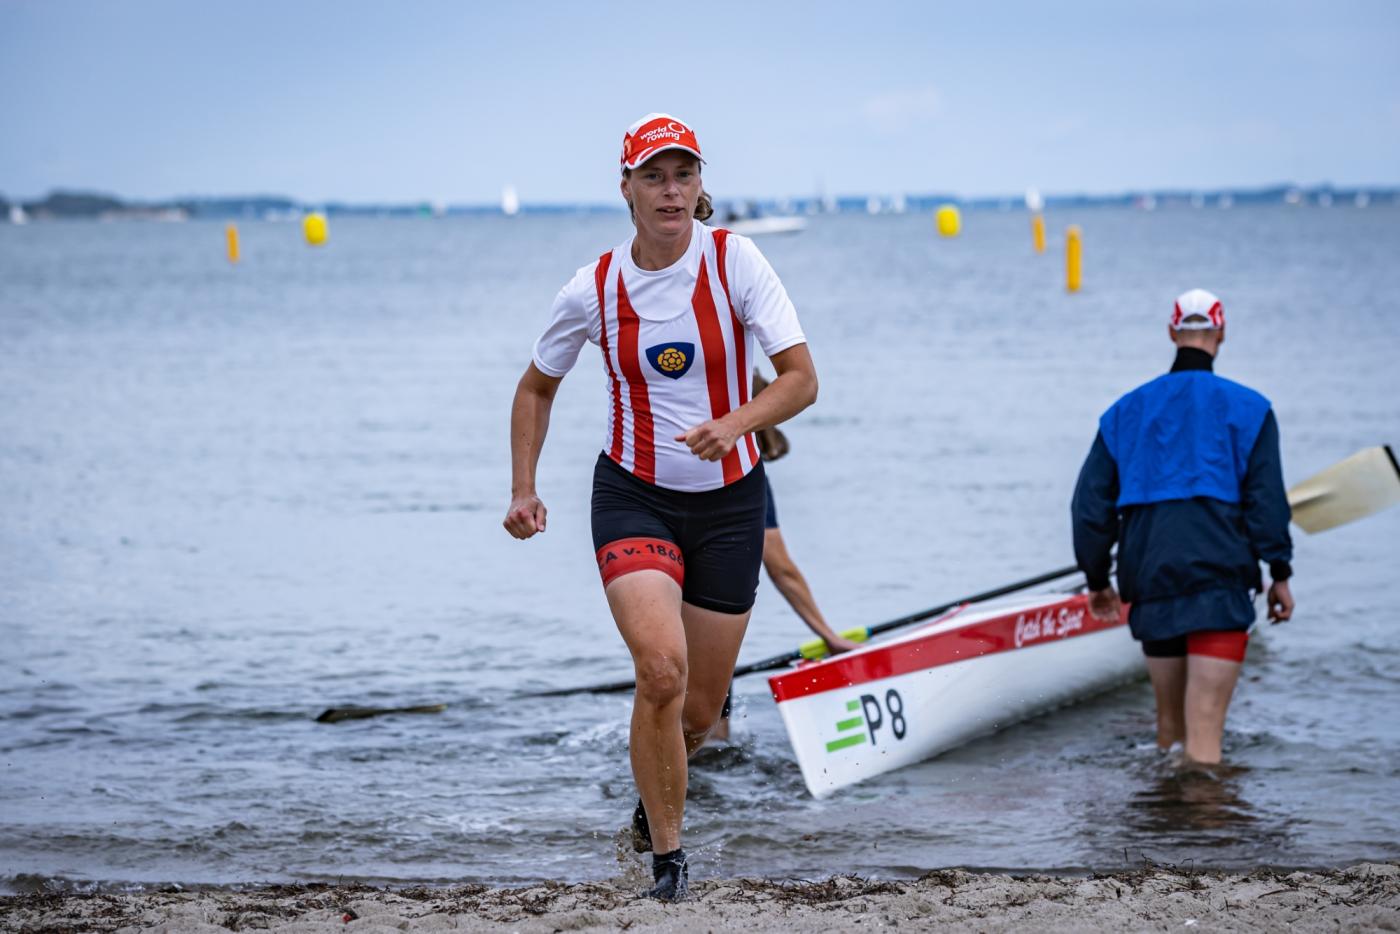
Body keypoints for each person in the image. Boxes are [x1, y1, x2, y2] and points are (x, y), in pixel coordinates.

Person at [503, 113, 817, 901]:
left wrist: (735, 424)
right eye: (654, 176)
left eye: (683, 175)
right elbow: (537, 387)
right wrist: (523, 488)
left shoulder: (737, 262)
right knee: (661, 669)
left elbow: (800, 380)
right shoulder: (594, 288)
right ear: (628, 189)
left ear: (700, 185)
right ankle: (669, 865)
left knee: (700, 714)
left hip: (731, 504)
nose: (670, 191)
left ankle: (650, 808)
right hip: (633, 496)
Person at [1071, 288, 1295, 766]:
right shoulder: (1252, 409)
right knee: (1205, 735)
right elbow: (1266, 505)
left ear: (1172, 332)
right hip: (1219, 583)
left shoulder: (1124, 412)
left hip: (1152, 582)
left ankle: (1163, 811)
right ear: (1222, 332)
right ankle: (1205, 814)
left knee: (1169, 734)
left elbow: (1089, 508)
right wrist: (1279, 571)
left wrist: (1097, 580)